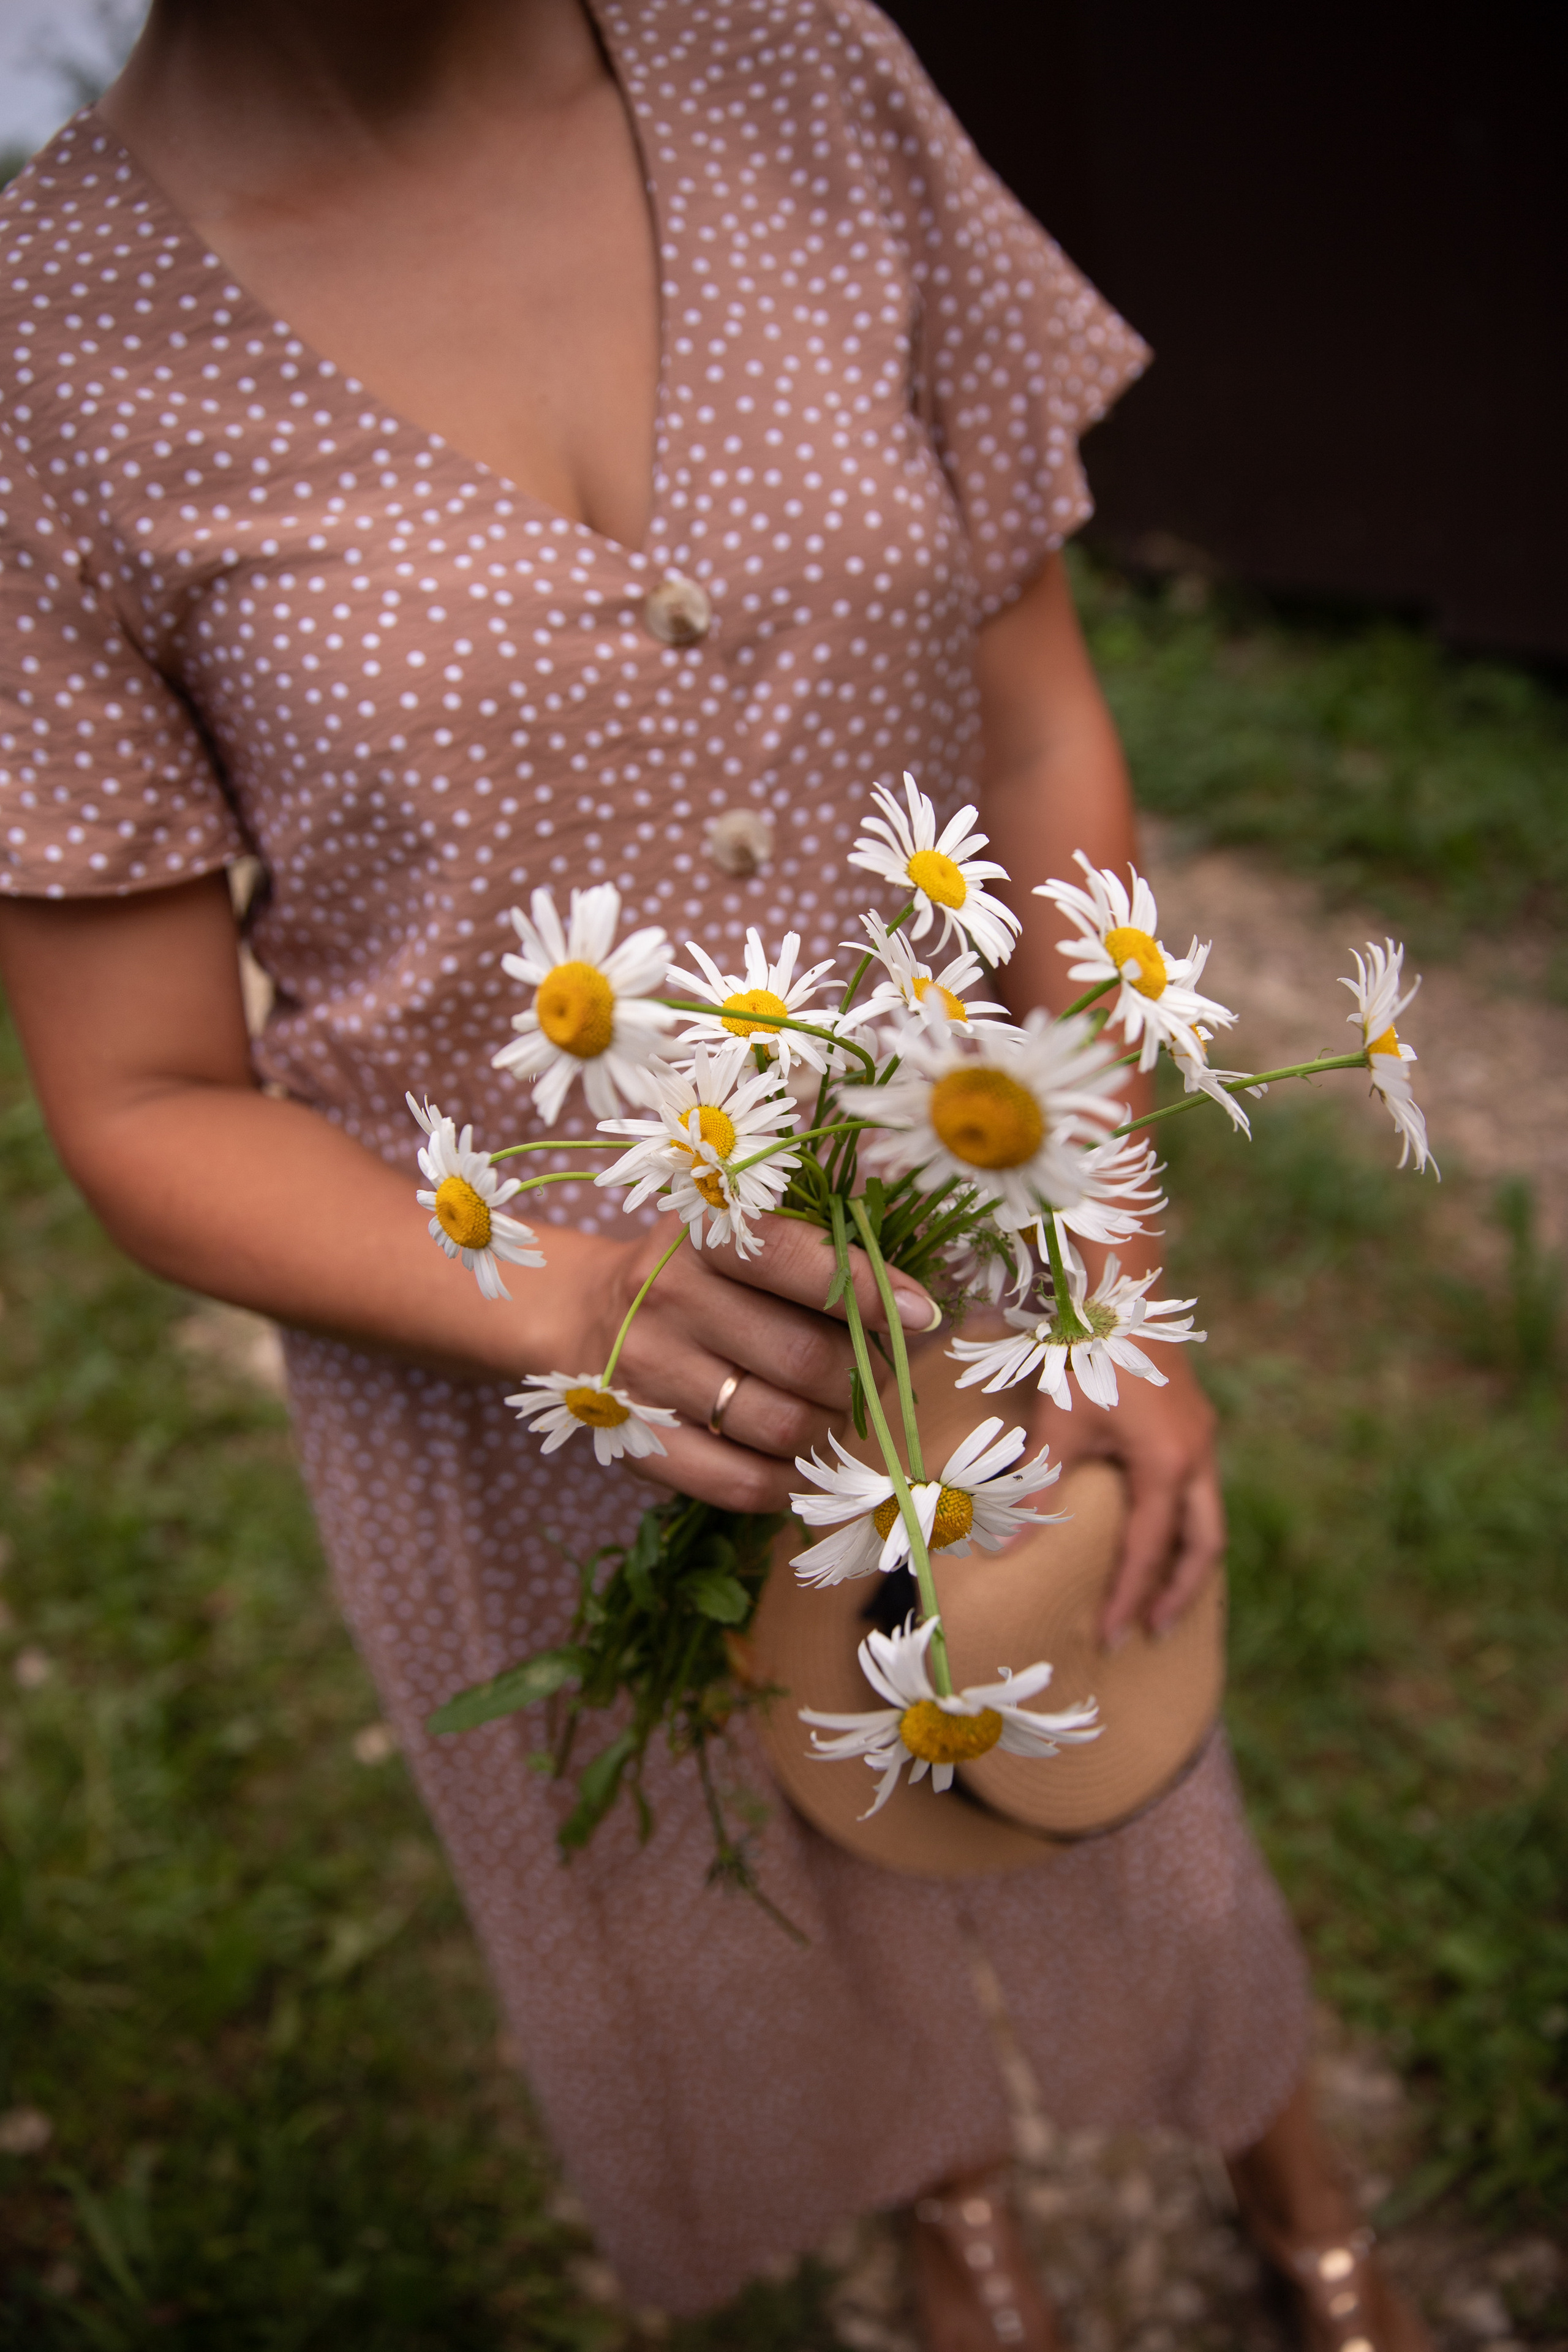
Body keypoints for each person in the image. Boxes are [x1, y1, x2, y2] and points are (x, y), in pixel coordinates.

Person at [0, 3, 1429, 2343]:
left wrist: (1113, 1264)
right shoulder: (42, 354)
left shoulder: (800, 70)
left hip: (974, 1236)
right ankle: (940, 2207)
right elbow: (143, 1098)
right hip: (518, 1376)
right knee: (742, 1866)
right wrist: (564, 1307)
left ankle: (1284, 2165)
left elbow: (1039, 709)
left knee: (1125, 1767)